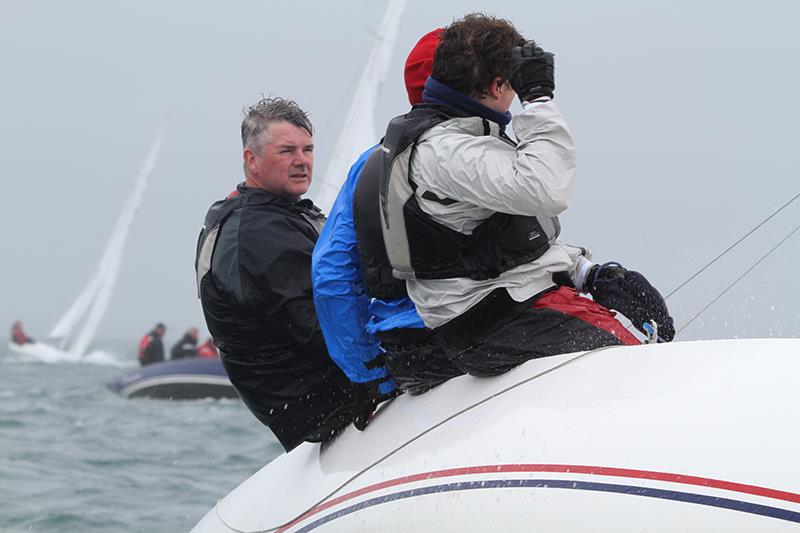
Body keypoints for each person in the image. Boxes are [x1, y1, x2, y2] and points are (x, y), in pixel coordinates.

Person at [370, 14, 673, 378]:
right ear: (498, 86)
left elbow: (505, 238)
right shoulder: (443, 150)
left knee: (645, 353)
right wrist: (539, 99)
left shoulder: (464, 134)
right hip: (494, 323)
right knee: (644, 370)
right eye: (512, 86)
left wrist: (587, 273)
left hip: (509, 304)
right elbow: (545, 189)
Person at [195, 97, 369, 451]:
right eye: (287, 150)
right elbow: (322, 328)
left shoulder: (265, 213)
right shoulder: (259, 233)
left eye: (308, 149)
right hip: (319, 404)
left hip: (311, 396)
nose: (302, 161)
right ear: (251, 160)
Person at [313, 28, 464, 401]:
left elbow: (331, 275)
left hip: (403, 352)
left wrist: (372, 374)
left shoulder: (366, 166)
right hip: (464, 340)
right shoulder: (473, 153)